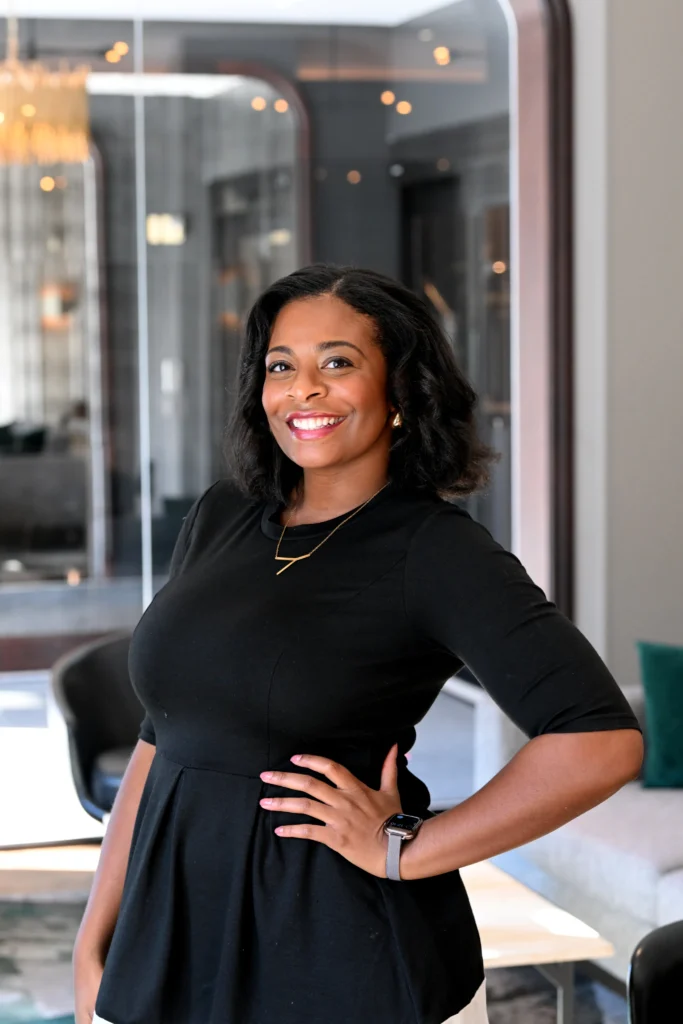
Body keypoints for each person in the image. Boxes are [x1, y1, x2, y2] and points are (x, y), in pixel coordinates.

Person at [73, 264, 643, 1024]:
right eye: (282, 366)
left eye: (337, 363)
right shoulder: (222, 515)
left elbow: (598, 742)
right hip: (172, 934)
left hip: (331, 947)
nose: (303, 389)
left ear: (401, 393)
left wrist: (404, 847)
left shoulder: (436, 552)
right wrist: (95, 937)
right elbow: (161, 736)